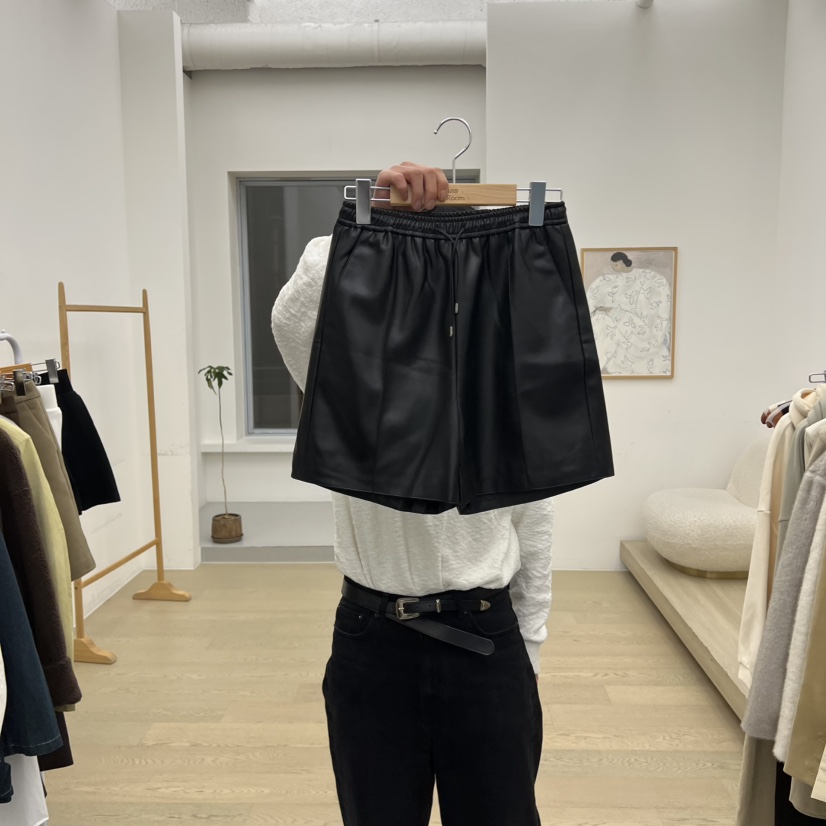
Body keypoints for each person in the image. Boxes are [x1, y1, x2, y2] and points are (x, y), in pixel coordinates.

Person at [271, 162, 551, 826]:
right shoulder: (347, 387)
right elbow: (293, 316)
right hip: (373, 640)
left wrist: (531, 645)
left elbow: (534, 521)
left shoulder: (502, 384)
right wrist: (374, 218)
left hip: (486, 638)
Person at [586, 250, 673, 376]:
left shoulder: (647, 278)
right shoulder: (608, 281)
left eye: (615, 265)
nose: (613, 268)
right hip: (614, 323)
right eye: (612, 265)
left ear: (622, 262)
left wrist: (614, 312)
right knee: (600, 322)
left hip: (637, 329)